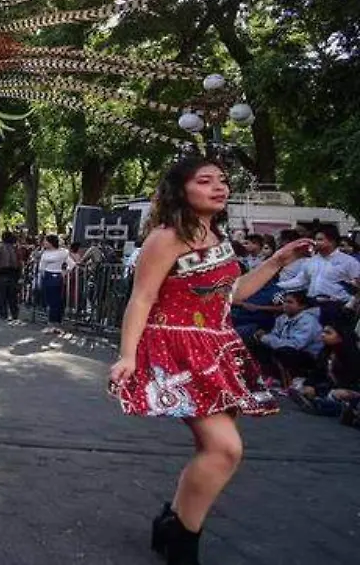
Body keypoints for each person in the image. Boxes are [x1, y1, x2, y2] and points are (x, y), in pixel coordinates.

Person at [109, 156, 312, 565]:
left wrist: (276, 262)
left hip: (217, 349)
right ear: (181, 189)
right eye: (205, 181)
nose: (219, 187)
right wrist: (127, 355)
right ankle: (182, 539)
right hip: (175, 348)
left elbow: (231, 294)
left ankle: (174, 527)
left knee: (214, 448)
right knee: (225, 449)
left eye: (222, 180)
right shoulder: (165, 238)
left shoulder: (216, 235)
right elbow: (142, 298)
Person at [288, 308, 360, 420]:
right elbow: (317, 372)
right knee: (305, 385)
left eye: (328, 333)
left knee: (336, 396)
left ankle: (319, 404)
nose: (322, 335)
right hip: (331, 387)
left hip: (349, 390)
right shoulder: (326, 352)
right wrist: (310, 385)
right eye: (323, 331)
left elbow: (351, 381)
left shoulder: (353, 356)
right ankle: (317, 400)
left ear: (340, 337)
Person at [281, 225, 360, 319]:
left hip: (337, 306)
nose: (315, 243)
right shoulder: (310, 261)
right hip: (313, 305)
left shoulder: (349, 262)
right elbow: (300, 281)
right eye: (315, 239)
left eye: (320, 239)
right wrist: (279, 286)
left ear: (332, 241)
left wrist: (350, 305)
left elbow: (358, 285)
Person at [249, 290, 323, 384]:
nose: (285, 304)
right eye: (284, 301)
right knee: (256, 344)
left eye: (290, 302)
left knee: (285, 351)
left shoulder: (308, 321)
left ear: (302, 306)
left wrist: (266, 338)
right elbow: (275, 335)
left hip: (307, 355)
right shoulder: (282, 318)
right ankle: (270, 377)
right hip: (285, 348)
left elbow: (296, 345)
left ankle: (293, 381)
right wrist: (263, 336)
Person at [35, 234, 71, 329]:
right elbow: (41, 266)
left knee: (54, 300)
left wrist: (64, 272)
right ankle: (54, 321)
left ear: (51, 242)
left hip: (55, 275)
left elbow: (71, 263)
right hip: (45, 275)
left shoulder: (62, 252)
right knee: (49, 299)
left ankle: (53, 322)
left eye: (46, 241)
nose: (44, 242)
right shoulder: (45, 252)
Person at [0, 231, 21, 320]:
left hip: (1, 273)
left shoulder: (0, 247)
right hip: (13, 273)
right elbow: (19, 261)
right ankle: (14, 314)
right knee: (12, 295)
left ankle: (3, 314)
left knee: (2, 295)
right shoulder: (15, 248)